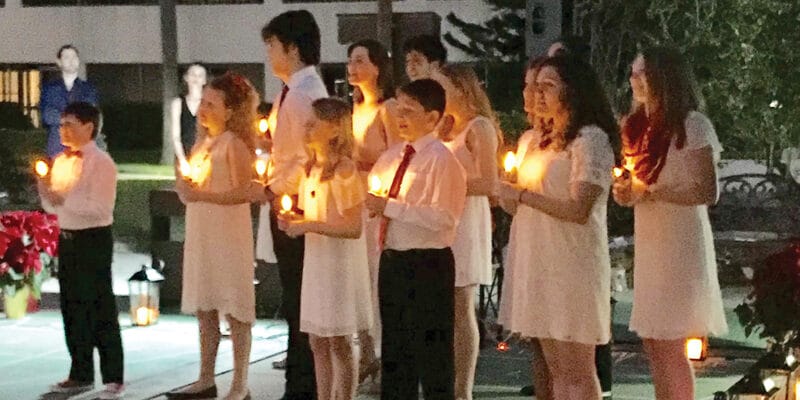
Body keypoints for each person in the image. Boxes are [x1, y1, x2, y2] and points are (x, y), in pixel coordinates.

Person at [496, 55, 619, 399]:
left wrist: (523, 195)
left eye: (548, 86)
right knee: (557, 370)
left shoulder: (590, 140)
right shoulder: (532, 141)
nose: (537, 93)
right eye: (535, 86)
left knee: (578, 369)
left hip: (571, 261)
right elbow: (512, 205)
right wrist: (507, 190)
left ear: (574, 90)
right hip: (539, 260)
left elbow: (580, 208)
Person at [612, 46, 727, 400]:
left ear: (663, 77)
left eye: (640, 73)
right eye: (632, 73)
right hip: (652, 241)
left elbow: (707, 191)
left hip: (680, 242)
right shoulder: (636, 127)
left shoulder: (692, 124)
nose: (634, 80)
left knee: (672, 340)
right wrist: (625, 192)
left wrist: (652, 191)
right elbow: (635, 187)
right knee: (653, 340)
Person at [365, 79, 467, 399]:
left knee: (433, 353)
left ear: (433, 117)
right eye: (398, 108)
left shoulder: (442, 160)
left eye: (410, 110)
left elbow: (444, 218)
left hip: (427, 263)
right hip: (393, 259)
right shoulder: (392, 156)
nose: (401, 116)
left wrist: (391, 207)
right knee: (395, 353)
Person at [169, 72, 260, 400]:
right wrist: (185, 188)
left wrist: (203, 196)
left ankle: (240, 383)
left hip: (227, 233)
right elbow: (193, 187)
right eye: (203, 103)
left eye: (211, 104)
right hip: (202, 230)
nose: (203, 109)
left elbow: (244, 192)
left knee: (234, 306)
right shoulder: (202, 143)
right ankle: (205, 377)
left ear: (230, 111)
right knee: (205, 305)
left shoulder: (233, 145)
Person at [278, 98, 372, 400]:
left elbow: (352, 227)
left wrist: (307, 226)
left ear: (333, 130)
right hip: (317, 262)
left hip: (339, 264)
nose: (306, 128)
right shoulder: (310, 168)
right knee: (318, 339)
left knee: (339, 340)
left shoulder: (344, 171)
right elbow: (314, 213)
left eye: (313, 123)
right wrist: (294, 218)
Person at [259, 10, 328, 400]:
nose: (269, 54)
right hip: (287, 201)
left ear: (293, 49)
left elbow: (308, 158)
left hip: (297, 205)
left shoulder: (304, 95)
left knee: (301, 301)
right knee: (294, 299)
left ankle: (302, 387)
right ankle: (299, 384)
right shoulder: (290, 92)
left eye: (272, 45)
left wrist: (273, 190)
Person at [38, 102, 124, 400]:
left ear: (89, 127)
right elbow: (53, 205)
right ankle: (80, 372)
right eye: (61, 124)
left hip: (94, 240)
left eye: (70, 124)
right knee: (71, 307)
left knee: (100, 306)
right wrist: (46, 192)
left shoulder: (102, 163)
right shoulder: (60, 161)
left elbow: (100, 209)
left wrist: (61, 200)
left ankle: (113, 377)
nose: (63, 129)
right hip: (68, 238)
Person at [430, 64, 500, 400]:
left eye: (442, 86)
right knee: (441, 302)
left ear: (461, 88)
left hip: (468, 218)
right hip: (442, 218)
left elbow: (490, 181)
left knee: (462, 303)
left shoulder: (479, 127)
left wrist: (449, 184)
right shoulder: (444, 127)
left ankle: (464, 389)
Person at [345, 38, 401, 384]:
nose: (353, 67)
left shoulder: (388, 108)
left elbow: (398, 154)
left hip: (376, 194)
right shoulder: (354, 107)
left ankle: (381, 352)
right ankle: (365, 351)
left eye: (360, 61)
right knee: (359, 277)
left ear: (377, 67)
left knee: (375, 273)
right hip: (354, 195)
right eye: (350, 61)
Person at [40, 45, 99, 159]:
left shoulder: (89, 89)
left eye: (74, 57)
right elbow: (47, 116)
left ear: (78, 60)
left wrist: (62, 118)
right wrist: (74, 119)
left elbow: (89, 116)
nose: (71, 61)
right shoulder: (50, 89)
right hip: (57, 147)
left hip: (83, 148)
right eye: (66, 57)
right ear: (59, 62)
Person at [170, 63, 208, 165]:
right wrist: (182, 160)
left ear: (204, 80)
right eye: (193, 74)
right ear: (186, 78)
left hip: (205, 159)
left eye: (200, 75)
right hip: (184, 156)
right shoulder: (178, 103)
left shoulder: (209, 104)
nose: (196, 78)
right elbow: (175, 136)